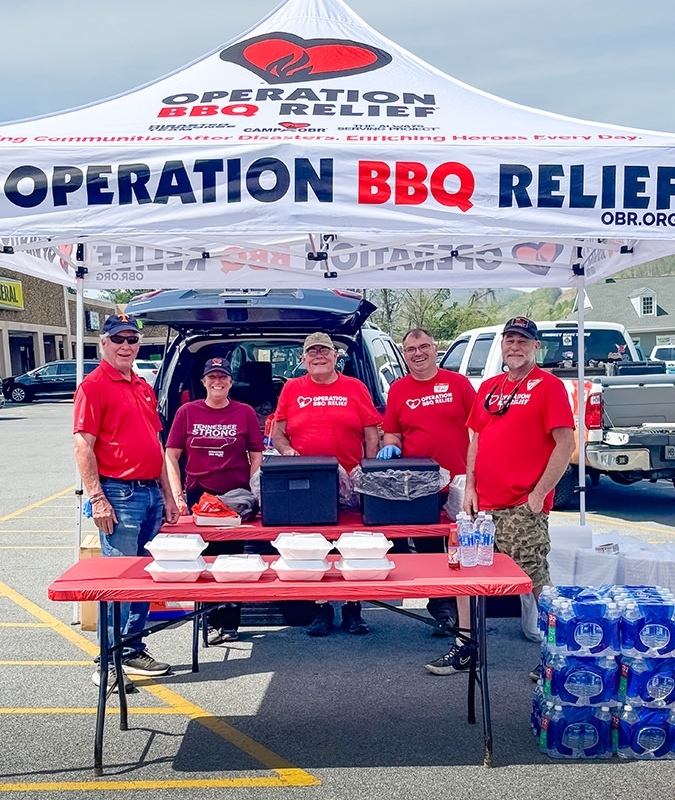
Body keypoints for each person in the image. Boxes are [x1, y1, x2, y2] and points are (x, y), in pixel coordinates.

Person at [425, 317, 575, 678]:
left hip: (521, 507)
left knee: (535, 580)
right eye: (509, 340)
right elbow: (476, 440)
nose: (515, 347)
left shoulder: (549, 386)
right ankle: (466, 647)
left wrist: (539, 494)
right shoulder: (490, 387)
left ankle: (561, 656)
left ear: (536, 346)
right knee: (465, 574)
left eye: (523, 341)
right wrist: (470, 487)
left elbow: (565, 443)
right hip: (482, 507)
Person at [73, 313, 180, 693]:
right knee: (119, 582)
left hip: (149, 493)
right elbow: (83, 445)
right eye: (118, 339)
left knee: (145, 578)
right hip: (120, 495)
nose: (125, 346)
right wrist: (97, 498)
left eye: (132, 339)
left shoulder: (142, 385)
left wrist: (168, 495)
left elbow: (156, 443)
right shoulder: (94, 386)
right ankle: (107, 662)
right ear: (103, 343)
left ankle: (132, 648)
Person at [273, 332, 381, 636]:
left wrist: (368, 472)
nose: (318, 356)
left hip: (350, 481)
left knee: (352, 546)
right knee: (312, 547)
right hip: (307, 485)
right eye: (312, 352)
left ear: (336, 356)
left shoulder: (355, 388)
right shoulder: (292, 389)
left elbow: (372, 434)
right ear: (303, 359)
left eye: (324, 351)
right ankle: (320, 609)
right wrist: (287, 451)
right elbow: (278, 434)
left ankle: (352, 608)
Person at [377, 328, 476, 633]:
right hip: (420, 486)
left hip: (459, 482)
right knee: (430, 550)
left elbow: (480, 429)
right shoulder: (398, 390)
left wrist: (478, 473)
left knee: (462, 547)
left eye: (423, 347)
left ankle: (468, 609)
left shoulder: (458, 384)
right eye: (410, 349)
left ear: (435, 349)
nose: (417, 353)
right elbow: (392, 432)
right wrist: (390, 446)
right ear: (404, 355)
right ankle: (443, 609)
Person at [165, 357, 264, 645]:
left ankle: (230, 622)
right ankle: (208, 620)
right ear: (204, 381)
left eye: (222, 376)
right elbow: (171, 455)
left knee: (232, 560)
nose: (217, 381)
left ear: (231, 382)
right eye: (212, 376)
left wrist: (254, 492)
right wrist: (177, 495)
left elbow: (256, 454)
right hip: (200, 495)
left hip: (234, 498)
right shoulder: (187, 412)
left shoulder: (244, 412)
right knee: (203, 558)